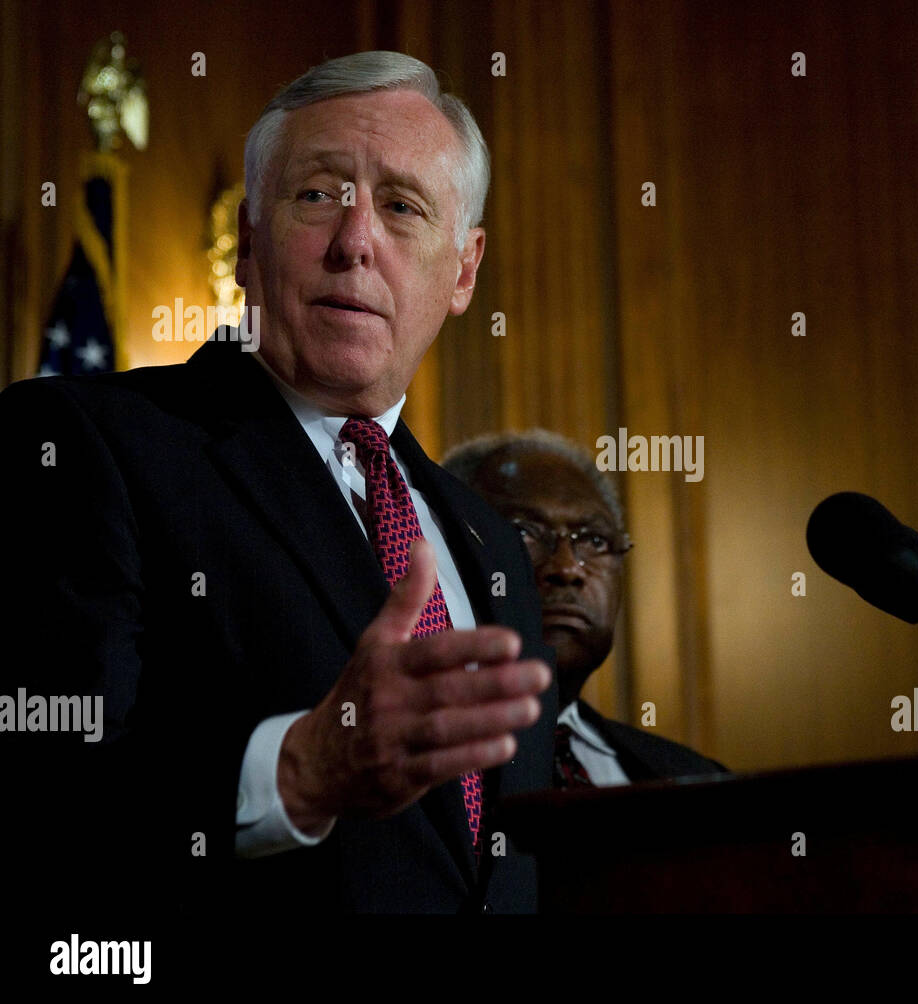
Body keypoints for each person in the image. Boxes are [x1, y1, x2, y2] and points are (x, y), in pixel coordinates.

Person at [0, 51, 554, 916]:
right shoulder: (87, 444)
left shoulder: (489, 542)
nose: (356, 240)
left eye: (402, 206)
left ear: (465, 270)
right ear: (249, 244)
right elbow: (38, 780)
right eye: (319, 194)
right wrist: (298, 773)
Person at [442, 430, 726, 786]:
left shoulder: (697, 777)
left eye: (594, 540)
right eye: (523, 533)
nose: (566, 568)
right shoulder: (398, 763)